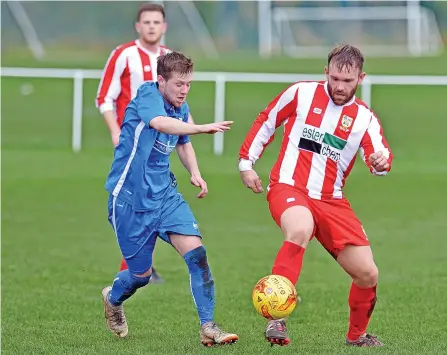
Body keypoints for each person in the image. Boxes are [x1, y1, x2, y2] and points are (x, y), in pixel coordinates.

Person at [238, 44, 392, 347]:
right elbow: (267, 121)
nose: (339, 86)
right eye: (334, 78)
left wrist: (381, 163)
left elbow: (380, 156)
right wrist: (246, 163)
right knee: (300, 228)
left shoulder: (365, 119)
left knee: (367, 273)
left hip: (331, 200)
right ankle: (276, 320)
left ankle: (356, 336)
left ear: (361, 79)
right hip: (288, 187)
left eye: (347, 81)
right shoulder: (301, 93)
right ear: (326, 72)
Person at [101, 51, 238, 346]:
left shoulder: (181, 105)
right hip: (129, 200)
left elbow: (182, 142)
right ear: (161, 81)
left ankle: (208, 327)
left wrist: (195, 172)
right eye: (179, 84)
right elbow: (162, 124)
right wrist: (201, 127)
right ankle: (113, 298)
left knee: (197, 255)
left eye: (188, 84)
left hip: (165, 197)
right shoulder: (147, 97)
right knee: (140, 276)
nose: (184, 90)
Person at [96, 3, 194, 281]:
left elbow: (178, 101)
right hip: (132, 142)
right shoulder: (124, 54)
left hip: (161, 141)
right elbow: (104, 97)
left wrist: (185, 129)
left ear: (164, 27)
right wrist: (115, 130)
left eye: (156, 22)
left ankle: (140, 267)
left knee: (155, 197)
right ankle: (133, 268)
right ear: (138, 26)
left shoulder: (169, 58)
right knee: (132, 197)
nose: (151, 26)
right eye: (146, 22)